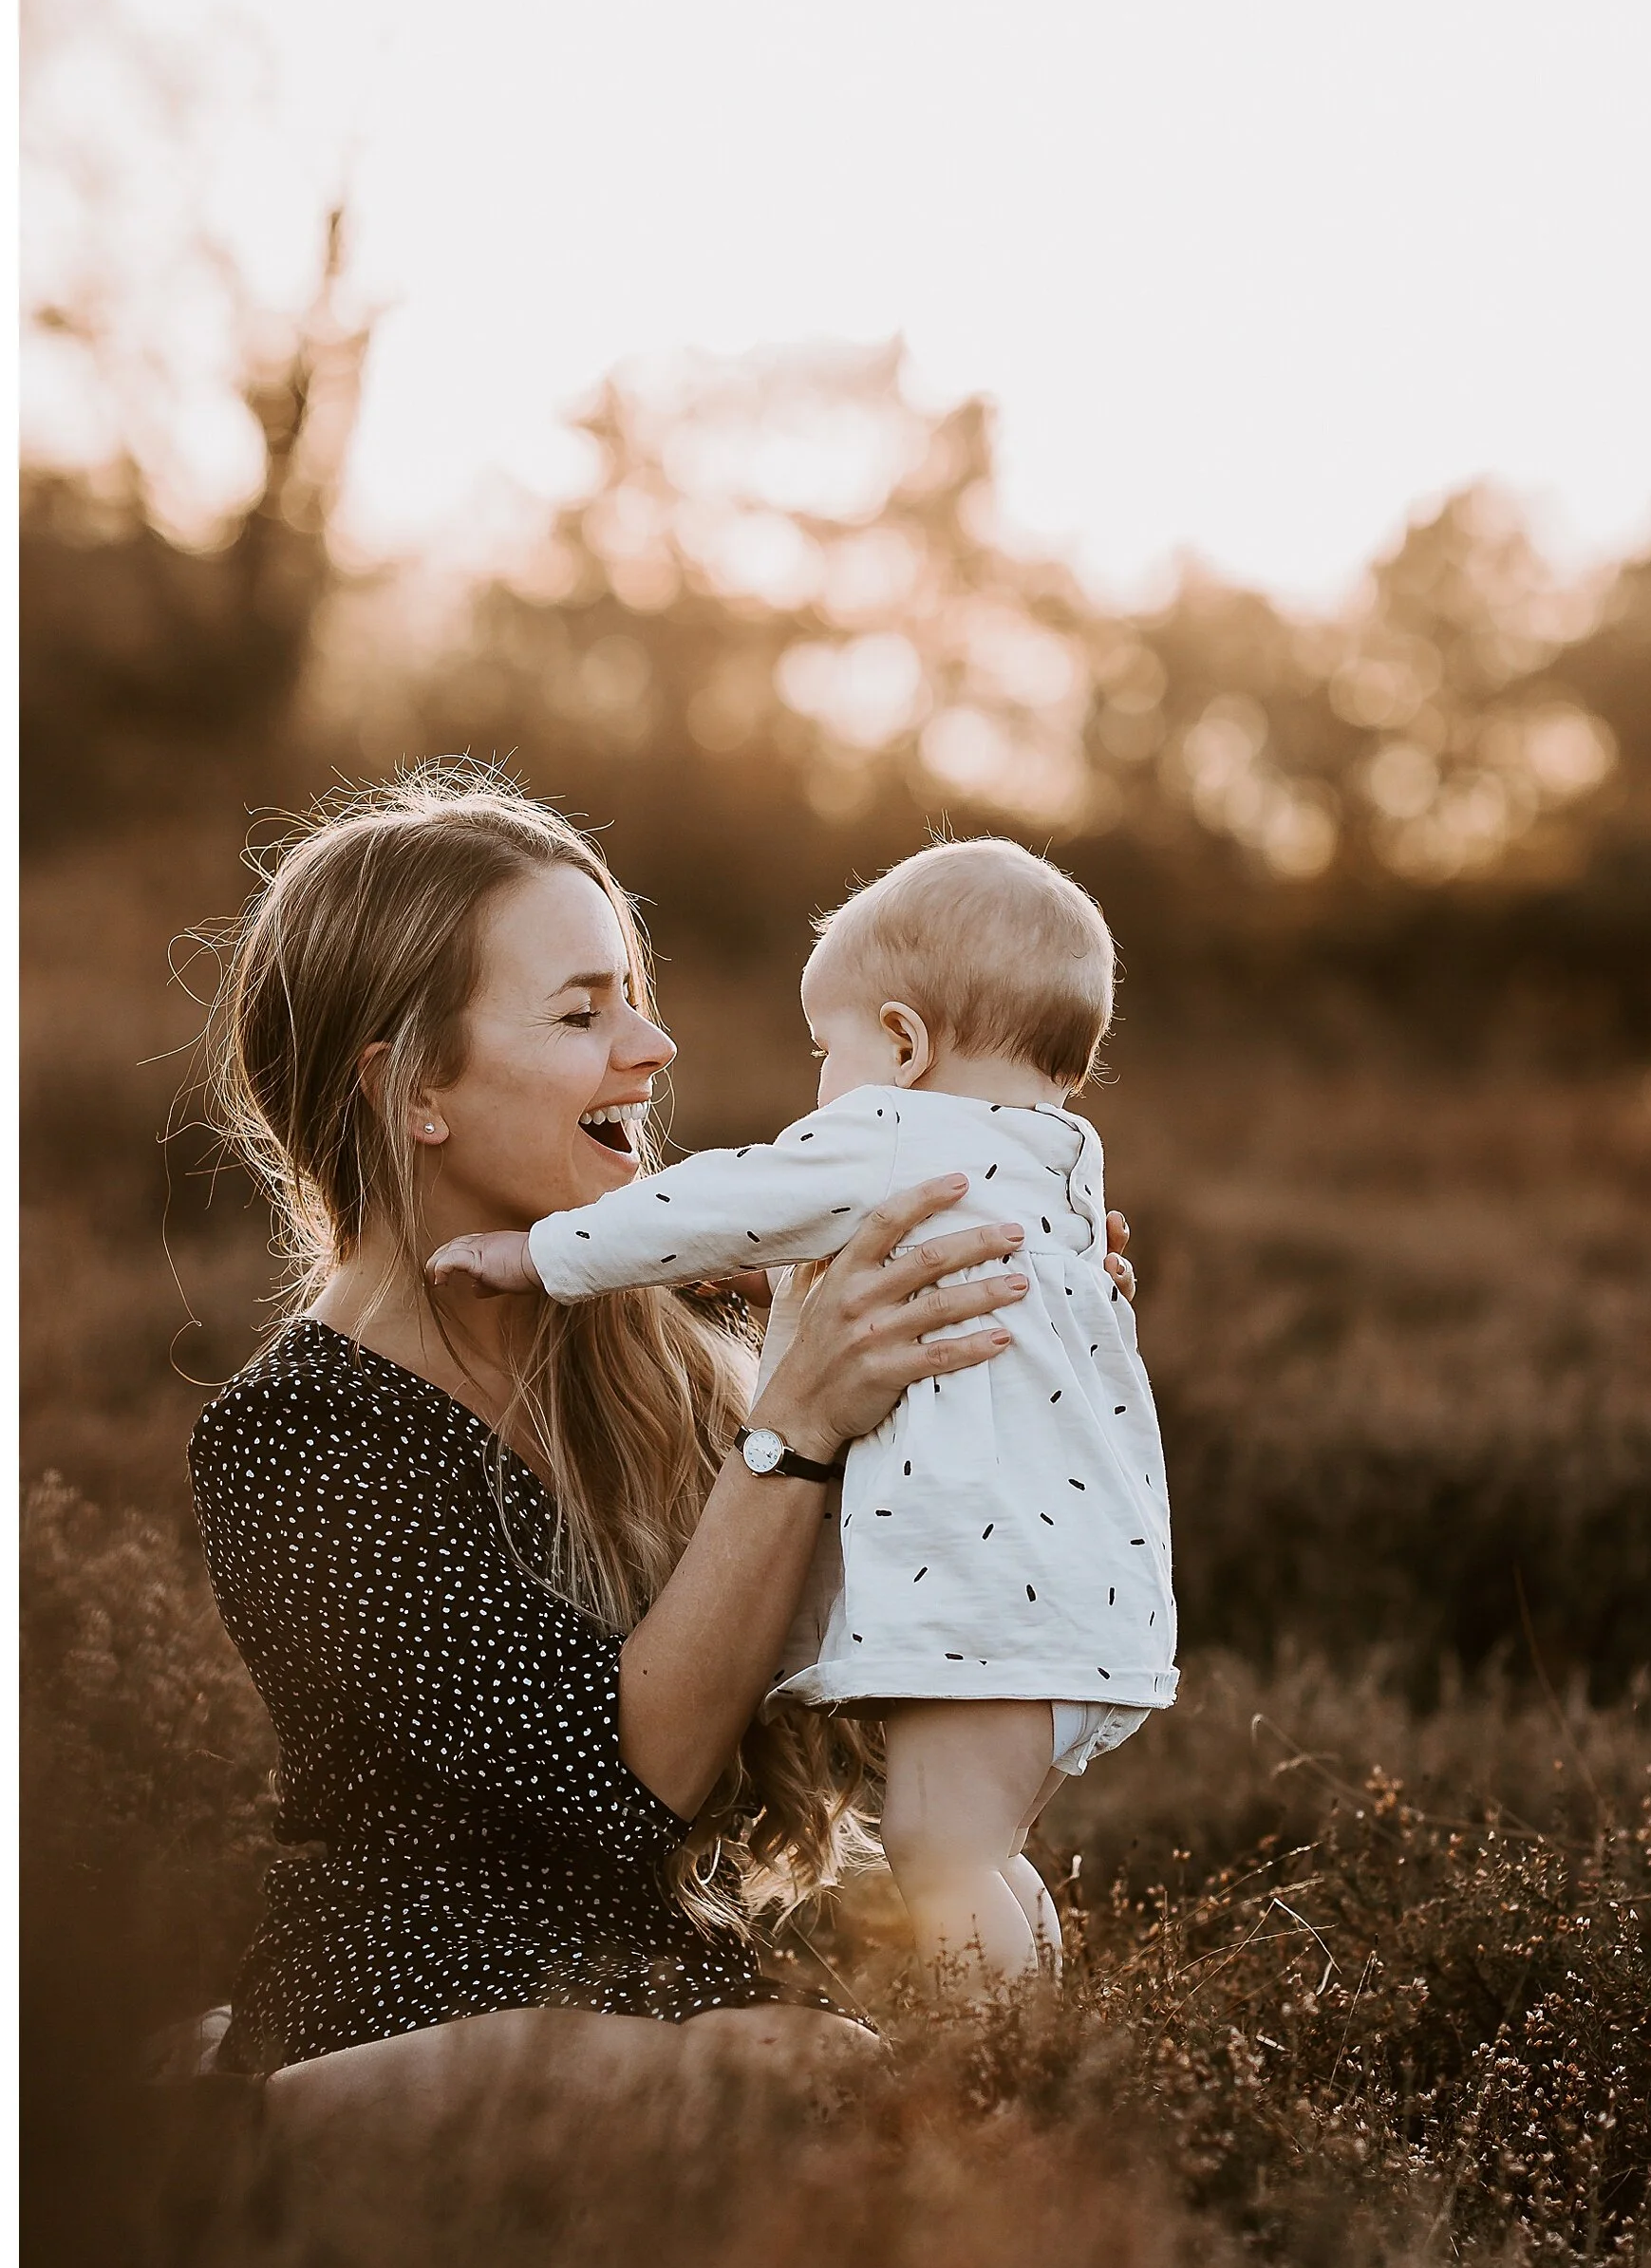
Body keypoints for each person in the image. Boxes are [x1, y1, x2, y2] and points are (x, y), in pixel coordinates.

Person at [187, 770, 1136, 2121]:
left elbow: (866, 1678)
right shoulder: (301, 1440)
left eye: (634, 995)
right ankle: (231, 2144)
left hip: (673, 1984)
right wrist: (801, 1421)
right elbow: (630, 1780)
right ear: (413, 1094)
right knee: (776, 2083)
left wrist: (1000, 1373)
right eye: (585, 1012)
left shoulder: (672, 1354)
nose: (653, 1046)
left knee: (828, 2084)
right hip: (415, 1998)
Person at [427, 838, 1176, 1997]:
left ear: (904, 1043)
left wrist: (537, 1255)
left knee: (942, 1853)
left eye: (826, 1050)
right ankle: (1036, 2037)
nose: (820, 1083)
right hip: (1088, 1599)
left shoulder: (890, 1130)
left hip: (986, 1604)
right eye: (582, 1013)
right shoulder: (1061, 1162)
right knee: (981, 1850)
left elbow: (717, 1200)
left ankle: (1002, 2073)